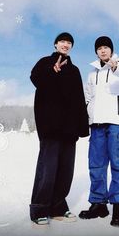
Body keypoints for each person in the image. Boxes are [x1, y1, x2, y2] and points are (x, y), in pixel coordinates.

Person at [79, 36, 119, 227]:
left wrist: (118, 68)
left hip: (117, 123)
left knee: (118, 164)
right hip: (97, 124)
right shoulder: (92, 73)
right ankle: (98, 204)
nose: (103, 50)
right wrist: (88, 114)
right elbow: (87, 96)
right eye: (99, 48)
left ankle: (117, 206)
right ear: (96, 52)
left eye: (106, 47)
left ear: (111, 49)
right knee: (96, 165)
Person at [30, 32, 89, 225]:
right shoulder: (45, 63)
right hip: (50, 127)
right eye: (62, 41)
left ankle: (57, 207)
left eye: (69, 42)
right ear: (55, 44)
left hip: (69, 129)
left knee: (65, 171)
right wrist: (52, 71)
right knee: (48, 169)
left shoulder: (75, 70)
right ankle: (39, 208)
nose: (66, 44)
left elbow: (80, 99)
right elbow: (35, 79)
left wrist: (82, 127)